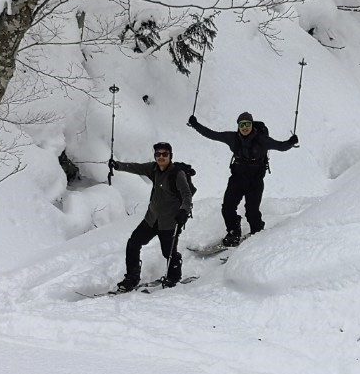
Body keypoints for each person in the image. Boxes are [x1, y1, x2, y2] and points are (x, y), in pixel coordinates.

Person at [188, 111, 298, 247]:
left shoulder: (262, 140)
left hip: (255, 181)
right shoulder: (232, 138)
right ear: (238, 126)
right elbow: (212, 134)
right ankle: (234, 232)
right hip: (237, 179)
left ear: (252, 125)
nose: (245, 127)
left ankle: (257, 234)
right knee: (227, 207)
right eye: (242, 125)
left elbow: (280, 146)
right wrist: (195, 124)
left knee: (252, 211)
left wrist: (291, 142)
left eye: (247, 124)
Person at [108, 141, 193, 292]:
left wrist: (183, 211)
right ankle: (131, 278)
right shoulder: (153, 168)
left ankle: (174, 278)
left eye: (164, 154)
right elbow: (136, 167)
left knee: (169, 253)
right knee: (133, 243)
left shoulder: (177, 174)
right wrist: (118, 165)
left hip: (169, 222)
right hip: (151, 219)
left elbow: (186, 195)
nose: (161, 157)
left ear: (170, 156)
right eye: (158, 154)